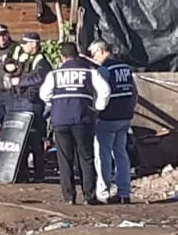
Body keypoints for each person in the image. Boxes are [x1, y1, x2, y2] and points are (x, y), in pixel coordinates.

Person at [39, 41, 111, 205]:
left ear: (62, 57)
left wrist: (55, 103)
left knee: (65, 159)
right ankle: (89, 196)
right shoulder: (89, 71)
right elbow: (105, 90)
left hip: (60, 120)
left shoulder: (54, 74)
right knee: (86, 157)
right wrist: (97, 108)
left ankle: (69, 197)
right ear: (77, 55)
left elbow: (44, 94)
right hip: (82, 119)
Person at [89, 40, 137, 204]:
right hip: (125, 116)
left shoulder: (104, 69)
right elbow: (134, 91)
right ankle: (125, 192)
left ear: (102, 51)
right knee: (121, 153)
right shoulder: (125, 68)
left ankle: (103, 192)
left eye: (94, 54)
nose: (93, 58)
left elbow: (101, 92)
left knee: (103, 154)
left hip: (108, 116)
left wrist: (96, 112)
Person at [12, 32, 53, 182]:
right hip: (19, 101)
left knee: (35, 140)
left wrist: (20, 81)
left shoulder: (42, 61)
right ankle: (22, 174)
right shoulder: (23, 58)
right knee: (20, 140)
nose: (22, 46)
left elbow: (41, 77)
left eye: (25, 43)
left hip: (33, 103)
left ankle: (38, 174)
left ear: (33, 44)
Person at [0, 24, 23, 136]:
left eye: (4, 35)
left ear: (8, 34)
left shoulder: (15, 49)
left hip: (10, 91)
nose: (2, 38)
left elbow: (19, 67)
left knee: (12, 119)